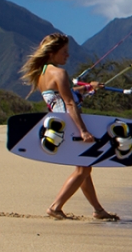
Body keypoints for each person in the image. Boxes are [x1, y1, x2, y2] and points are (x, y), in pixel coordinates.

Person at [19, 32, 118, 221]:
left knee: (85, 166)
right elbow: (69, 104)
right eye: (64, 51)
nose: (67, 55)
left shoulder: (42, 74)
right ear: (52, 53)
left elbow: (64, 96)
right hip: (71, 124)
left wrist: (89, 88)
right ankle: (56, 207)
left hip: (59, 124)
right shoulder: (60, 73)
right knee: (84, 169)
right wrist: (83, 131)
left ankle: (98, 210)